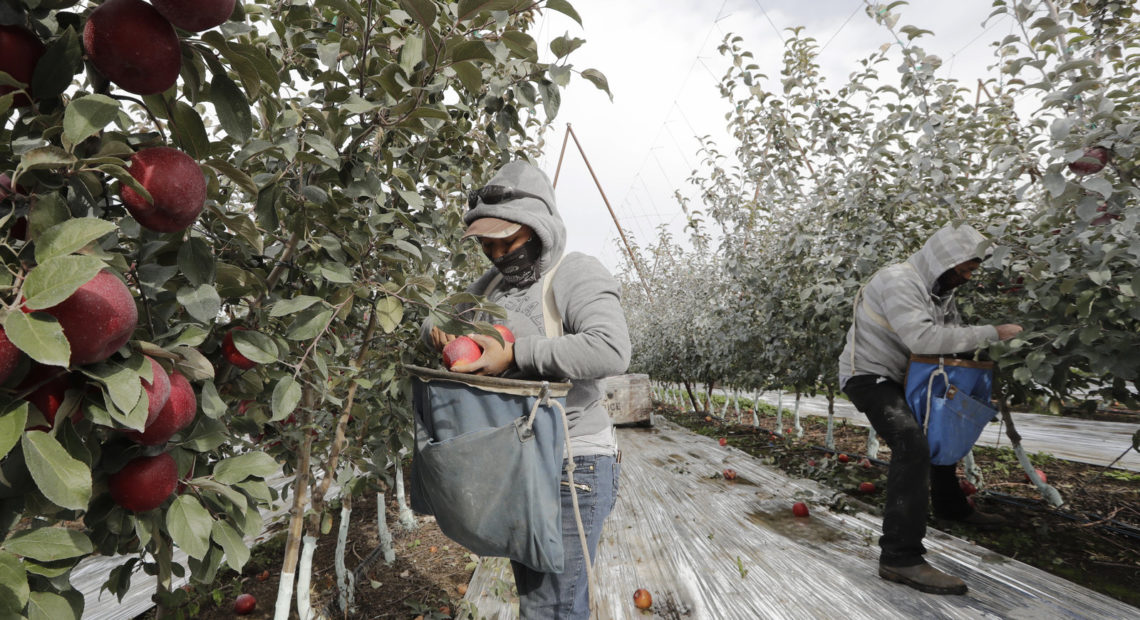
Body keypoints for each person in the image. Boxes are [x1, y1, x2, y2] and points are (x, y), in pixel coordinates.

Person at [420, 160, 631, 618]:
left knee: (551, 608)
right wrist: (436, 332)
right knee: (540, 601)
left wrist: (515, 355)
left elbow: (611, 349)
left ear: (539, 228)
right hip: (521, 464)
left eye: (508, 241)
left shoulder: (574, 273)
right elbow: (438, 317)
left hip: (573, 466)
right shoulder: (492, 286)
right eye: (488, 245)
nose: (498, 254)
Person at [837, 223, 1023, 596]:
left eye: (972, 269)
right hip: (870, 376)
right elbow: (923, 338)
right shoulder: (899, 281)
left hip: (909, 376)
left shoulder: (939, 293)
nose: (969, 276)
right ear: (945, 261)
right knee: (911, 440)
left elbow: (949, 340)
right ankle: (899, 557)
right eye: (966, 268)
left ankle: (951, 506)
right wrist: (992, 332)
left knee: (939, 427)